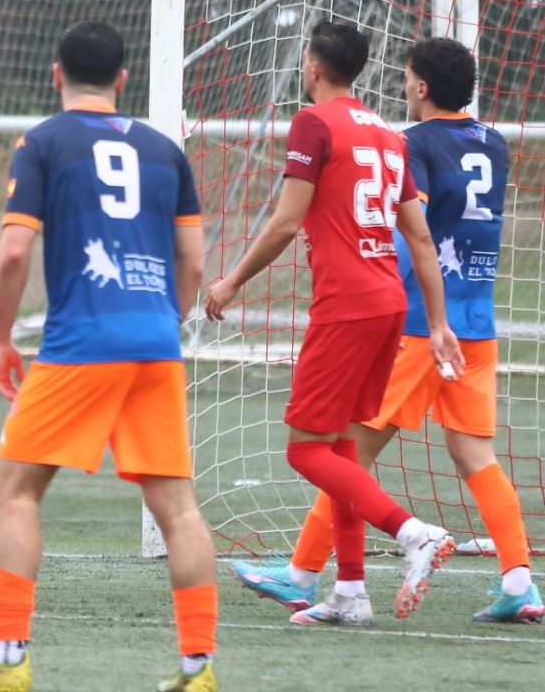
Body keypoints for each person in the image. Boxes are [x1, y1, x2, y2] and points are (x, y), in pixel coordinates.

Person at [0, 21, 218, 692]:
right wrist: (159, 323)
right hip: (156, 342)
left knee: (13, 489)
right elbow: (193, 261)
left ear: (56, 75)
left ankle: (6, 659)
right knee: (177, 504)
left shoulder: (44, 142)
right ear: (121, 80)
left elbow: (14, 252)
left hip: (82, 342)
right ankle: (198, 667)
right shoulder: (166, 150)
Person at [231, 37, 541, 623]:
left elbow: (411, 229)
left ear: (420, 87)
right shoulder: (494, 144)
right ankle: (521, 582)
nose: (402, 86)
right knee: (476, 454)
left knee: (349, 450)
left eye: (406, 79)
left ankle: (302, 572)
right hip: (475, 319)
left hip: (423, 321)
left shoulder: (413, 143)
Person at [205, 21, 461, 626]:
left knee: (304, 451)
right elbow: (419, 237)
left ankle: (413, 533)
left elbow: (287, 221)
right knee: (343, 448)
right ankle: (349, 593)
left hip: (346, 304)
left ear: (314, 68)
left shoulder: (314, 124)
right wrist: (441, 322)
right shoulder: (390, 136)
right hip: (390, 303)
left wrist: (233, 279)